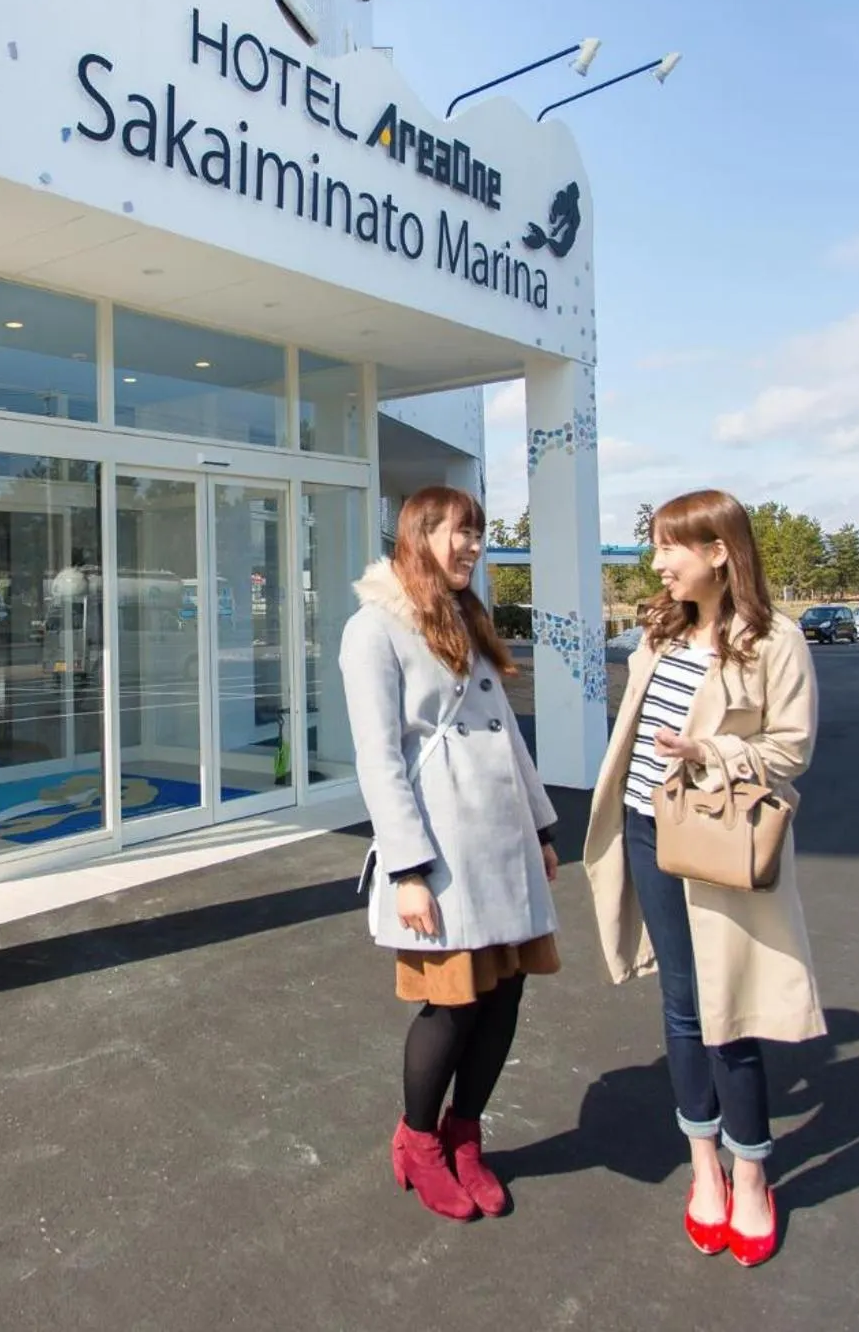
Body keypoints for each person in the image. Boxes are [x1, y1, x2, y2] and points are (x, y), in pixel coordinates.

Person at [584, 489, 824, 1267]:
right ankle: (705, 1171)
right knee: (684, 1004)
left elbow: (791, 750)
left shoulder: (774, 640)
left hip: (720, 838)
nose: (657, 564)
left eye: (668, 548)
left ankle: (752, 1176)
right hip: (651, 828)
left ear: (719, 550)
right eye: (654, 548)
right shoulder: (661, 631)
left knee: (734, 1010)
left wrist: (711, 754)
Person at [340, 486, 562, 1221]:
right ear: (417, 534)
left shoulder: (467, 616)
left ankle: (466, 1137)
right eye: (457, 533)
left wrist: (541, 828)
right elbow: (379, 760)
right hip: (441, 849)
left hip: (502, 840)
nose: (471, 546)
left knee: (504, 995)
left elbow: (505, 731)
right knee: (451, 1003)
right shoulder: (374, 630)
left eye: (478, 534)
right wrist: (407, 869)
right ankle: (418, 1140)